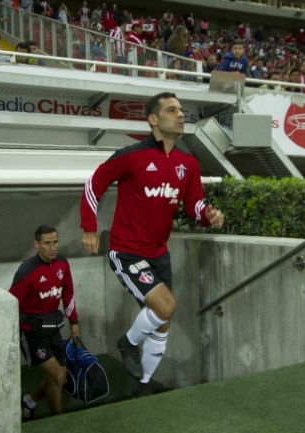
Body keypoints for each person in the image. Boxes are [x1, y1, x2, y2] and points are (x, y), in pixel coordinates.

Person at [80, 92, 224, 397]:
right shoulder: (131, 155)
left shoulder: (188, 163)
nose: (181, 114)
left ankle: (143, 385)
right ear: (153, 120)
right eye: (172, 110)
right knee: (166, 306)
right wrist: (89, 228)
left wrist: (207, 214)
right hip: (127, 251)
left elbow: (193, 204)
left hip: (159, 253)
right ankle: (128, 343)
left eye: (182, 110)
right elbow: (95, 183)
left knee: (163, 322)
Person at [10, 225, 80, 420]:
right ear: (37, 244)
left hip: (52, 328)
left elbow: (68, 294)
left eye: (55, 242)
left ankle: (29, 401)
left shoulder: (63, 264)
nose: (52, 248)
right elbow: (12, 303)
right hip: (31, 333)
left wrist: (74, 322)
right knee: (57, 376)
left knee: (59, 377)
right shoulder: (26, 271)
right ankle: (58, 419)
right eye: (47, 243)